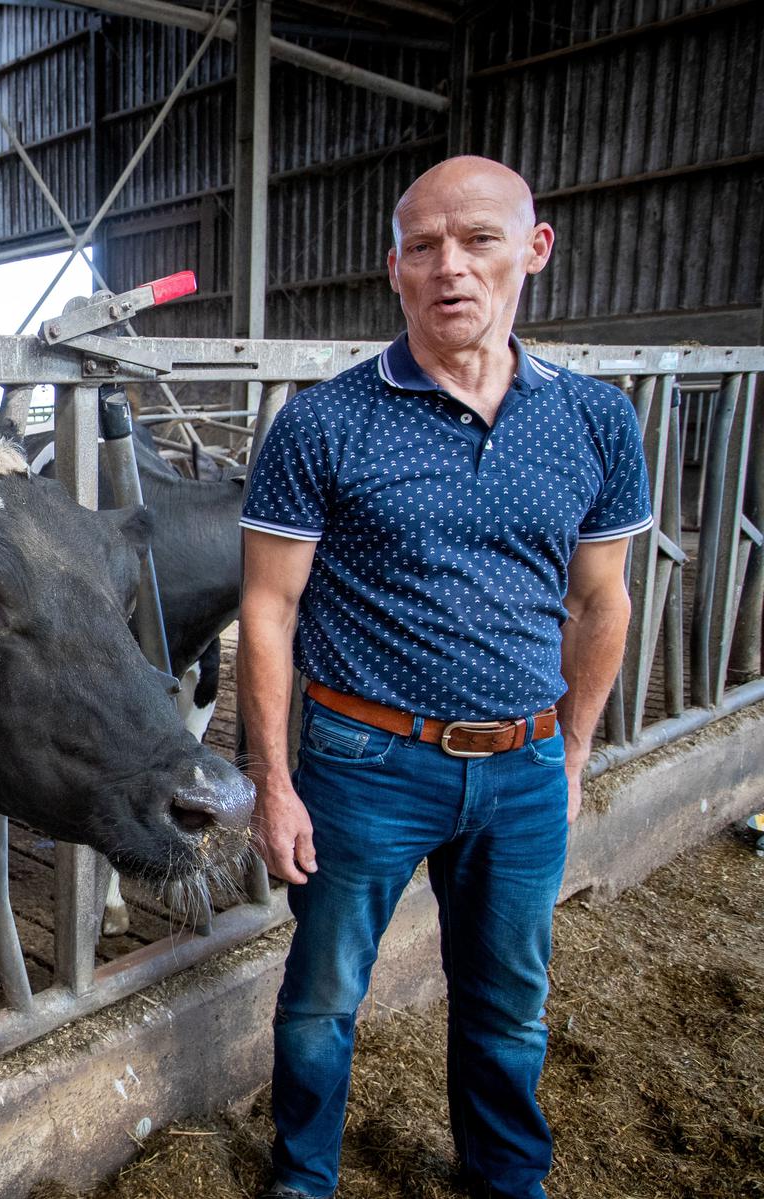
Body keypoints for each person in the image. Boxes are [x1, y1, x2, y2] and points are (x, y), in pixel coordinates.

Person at [238, 156, 651, 1199]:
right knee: (324, 995)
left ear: (535, 250)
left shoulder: (596, 419)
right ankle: (303, 1177)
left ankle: (508, 1177)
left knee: (511, 998)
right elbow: (269, 608)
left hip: (522, 761)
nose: (450, 268)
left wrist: (575, 749)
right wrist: (275, 782)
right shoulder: (324, 421)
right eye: (423, 247)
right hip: (362, 757)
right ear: (395, 269)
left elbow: (604, 600)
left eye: (478, 240)